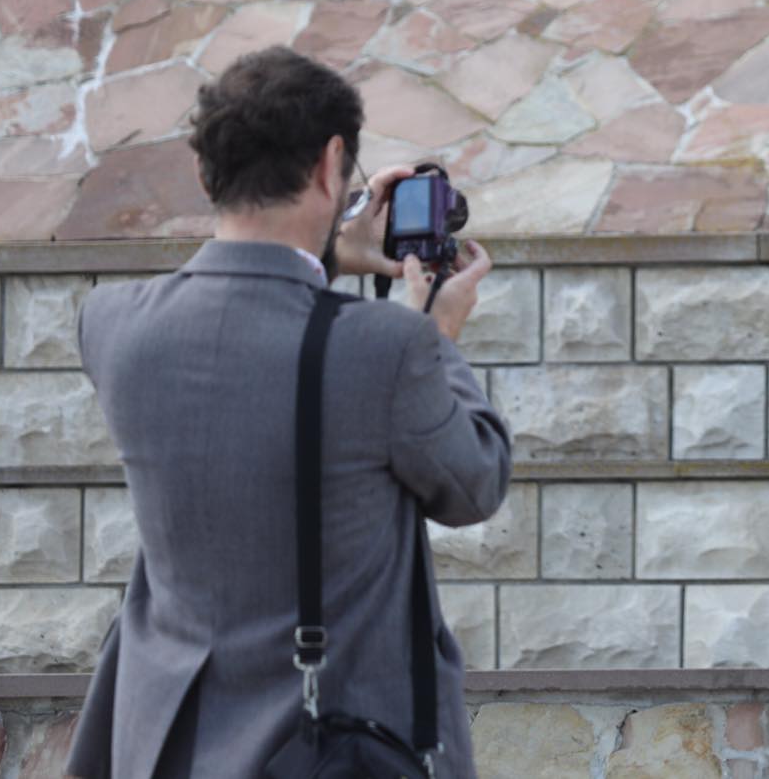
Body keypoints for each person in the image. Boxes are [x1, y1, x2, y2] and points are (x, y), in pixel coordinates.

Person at [68, 46, 510, 778]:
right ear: (331, 165)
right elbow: (474, 484)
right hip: (332, 744)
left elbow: (244, 329)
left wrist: (327, 255)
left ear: (204, 171)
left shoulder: (112, 325)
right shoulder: (388, 346)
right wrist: (436, 334)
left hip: (166, 742)